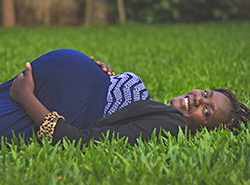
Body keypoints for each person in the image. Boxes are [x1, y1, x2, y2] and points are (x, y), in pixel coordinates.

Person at [2, 49, 250, 146]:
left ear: (205, 133)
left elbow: (83, 141)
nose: (198, 100)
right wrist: (107, 78)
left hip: (35, 99)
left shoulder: (172, 126)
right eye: (206, 95)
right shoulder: (162, 114)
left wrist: (25, 97)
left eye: (206, 112)